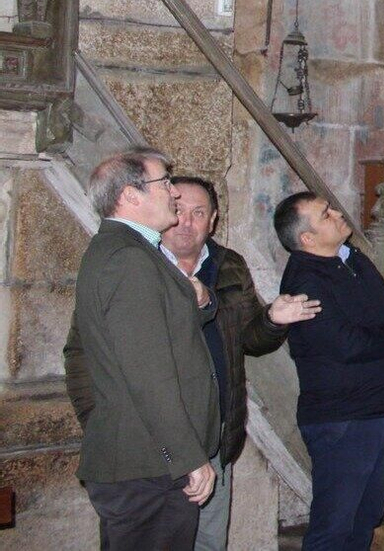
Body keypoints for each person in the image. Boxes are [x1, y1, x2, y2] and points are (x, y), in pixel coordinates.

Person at [67, 176, 322, 550]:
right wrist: (96, 417)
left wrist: (272, 319)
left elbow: (249, 339)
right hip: (152, 448)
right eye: (179, 209)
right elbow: (81, 352)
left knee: (208, 542)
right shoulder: (133, 265)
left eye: (199, 213)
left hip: (215, 437)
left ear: (213, 220)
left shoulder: (228, 265)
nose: (185, 222)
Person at [66, 148, 219, 550]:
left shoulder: (126, 252)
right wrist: (188, 456)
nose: (175, 193)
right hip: (151, 465)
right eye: (165, 183)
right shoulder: (129, 259)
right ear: (130, 195)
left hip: (148, 458)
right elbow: (149, 372)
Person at [275, 191, 384, 551]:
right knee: (334, 528)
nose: (337, 213)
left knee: (366, 520)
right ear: (307, 238)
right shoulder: (305, 282)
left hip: (378, 410)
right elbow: (346, 344)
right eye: (325, 215)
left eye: (330, 208)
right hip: (343, 419)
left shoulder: (352, 259)